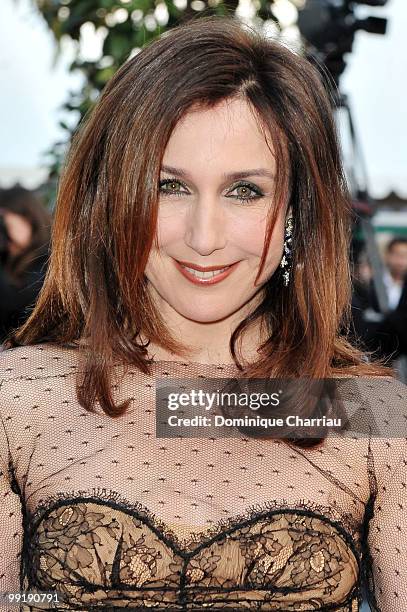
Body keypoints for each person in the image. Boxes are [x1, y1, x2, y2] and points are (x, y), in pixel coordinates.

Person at [0, 16, 406, 612]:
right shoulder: (19, 399)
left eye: (246, 190)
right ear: (113, 198)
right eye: (170, 186)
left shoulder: (370, 414)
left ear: (298, 209)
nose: (204, 237)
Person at [0, 186, 51, 345]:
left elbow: (17, 303)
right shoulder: (9, 257)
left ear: (28, 218)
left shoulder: (48, 258)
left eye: (3, 220)